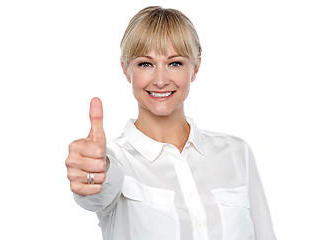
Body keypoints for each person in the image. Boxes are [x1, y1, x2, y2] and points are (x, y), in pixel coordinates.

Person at [65, 6, 276, 240]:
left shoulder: (237, 154)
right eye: (146, 64)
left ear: (195, 67)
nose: (161, 80)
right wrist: (92, 173)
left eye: (174, 63)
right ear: (126, 70)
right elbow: (97, 192)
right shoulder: (114, 159)